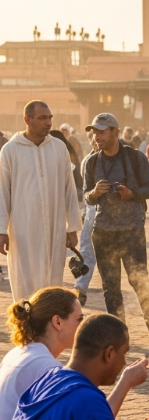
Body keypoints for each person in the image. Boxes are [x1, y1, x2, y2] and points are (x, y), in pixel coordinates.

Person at [0, 288, 145, 420]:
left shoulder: (20, 353)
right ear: (57, 322)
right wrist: (125, 382)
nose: (82, 325)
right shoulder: (46, 369)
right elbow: (88, 415)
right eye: (79, 319)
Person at [83, 113, 149, 347]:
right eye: (94, 132)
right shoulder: (91, 161)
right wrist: (96, 193)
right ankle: (119, 339)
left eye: (101, 131)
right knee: (111, 289)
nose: (96, 136)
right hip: (103, 232)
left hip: (132, 230)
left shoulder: (135, 158)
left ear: (115, 133)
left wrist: (131, 194)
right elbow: (87, 198)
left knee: (140, 282)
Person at [0, 100, 81, 301]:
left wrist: (72, 226)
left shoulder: (59, 148)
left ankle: (49, 330)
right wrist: (1, 230)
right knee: (25, 282)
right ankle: (26, 329)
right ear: (27, 120)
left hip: (54, 228)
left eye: (50, 118)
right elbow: (2, 193)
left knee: (52, 282)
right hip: (22, 230)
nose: (48, 123)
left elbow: (69, 189)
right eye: (42, 118)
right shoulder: (10, 151)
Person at [74, 136, 100, 305]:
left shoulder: (117, 159)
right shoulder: (88, 161)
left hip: (109, 214)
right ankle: (80, 287)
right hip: (92, 211)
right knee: (87, 251)